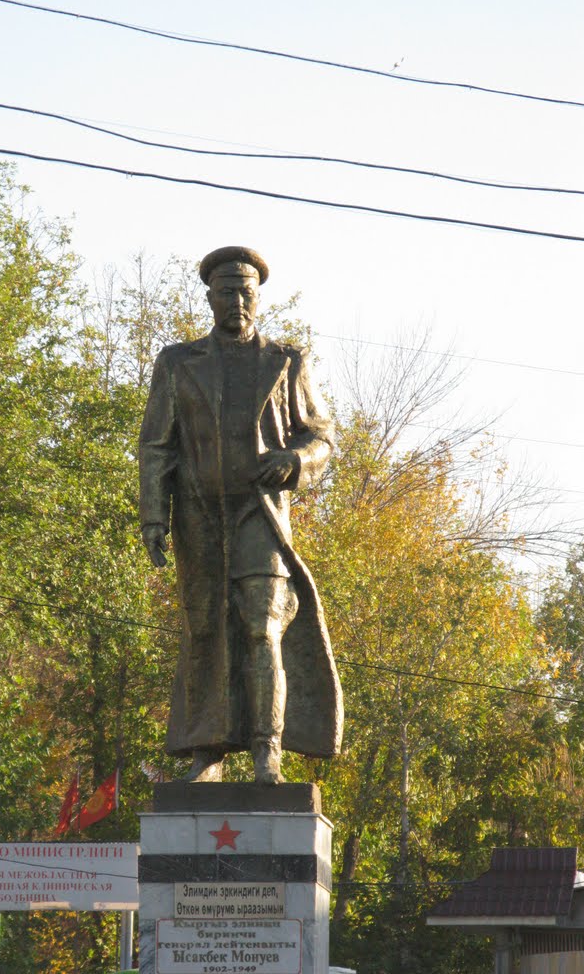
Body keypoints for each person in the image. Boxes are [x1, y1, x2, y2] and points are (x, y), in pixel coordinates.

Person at [139, 246, 343, 783]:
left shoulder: (286, 360)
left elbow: (321, 435)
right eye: (227, 291)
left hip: (261, 515)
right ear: (209, 297)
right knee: (205, 628)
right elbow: (157, 445)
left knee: (262, 627)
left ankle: (266, 750)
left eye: (246, 291)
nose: (237, 300)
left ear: (258, 297)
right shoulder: (177, 362)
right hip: (199, 515)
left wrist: (295, 459)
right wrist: (153, 515)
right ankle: (209, 753)